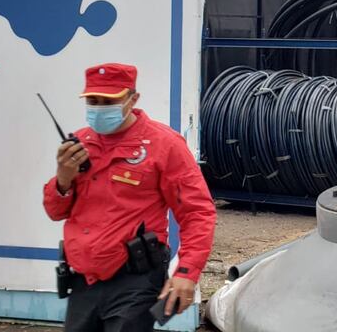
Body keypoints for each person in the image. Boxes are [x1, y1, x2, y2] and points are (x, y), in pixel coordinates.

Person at [43, 63, 216, 331]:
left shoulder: (163, 144)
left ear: (132, 98)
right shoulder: (79, 144)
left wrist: (187, 272)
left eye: (109, 101)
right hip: (84, 281)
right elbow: (55, 211)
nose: (99, 107)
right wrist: (63, 178)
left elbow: (197, 212)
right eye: (93, 100)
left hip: (135, 280)